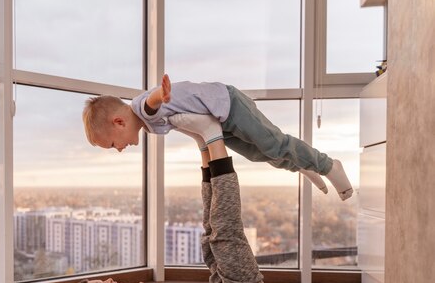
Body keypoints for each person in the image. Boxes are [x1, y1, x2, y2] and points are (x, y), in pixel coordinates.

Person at [13, 137, 273, 283]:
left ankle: (205, 148)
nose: (109, 280)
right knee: (225, 236)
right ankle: (215, 140)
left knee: (210, 236)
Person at [81, 74, 353, 200]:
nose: (119, 149)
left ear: (118, 122)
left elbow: (151, 103)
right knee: (259, 154)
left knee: (273, 143)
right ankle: (302, 166)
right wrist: (203, 142)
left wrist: (159, 95)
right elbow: (188, 125)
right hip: (220, 122)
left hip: (229, 104)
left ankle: (328, 165)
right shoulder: (149, 126)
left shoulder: (142, 108)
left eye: (114, 144)